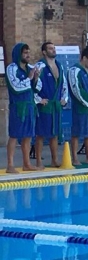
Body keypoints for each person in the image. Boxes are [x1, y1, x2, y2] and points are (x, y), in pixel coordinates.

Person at [6, 43, 41, 173]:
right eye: (25, 52)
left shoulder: (30, 68)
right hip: (18, 107)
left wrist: (36, 78)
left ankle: (27, 163)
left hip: (30, 106)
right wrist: (30, 78)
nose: (28, 55)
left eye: (28, 52)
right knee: (14, 135)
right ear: (18, 54)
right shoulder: (12, 68)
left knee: (28, 136)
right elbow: (16, 87)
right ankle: (10, 164)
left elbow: (37, 88)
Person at [34, 42, 69, 169]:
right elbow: (32, 85)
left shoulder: (59, 66)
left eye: (54, 48)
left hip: (56, 105)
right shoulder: (40, 66)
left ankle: (55, 160)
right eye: (50, 48)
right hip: (45, 105)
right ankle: (38, 161)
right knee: (41, 134)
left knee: (54, 134)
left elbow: (64, 84)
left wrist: (64, 98)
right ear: (44, 52)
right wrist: (38, 99)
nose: (53, 50)